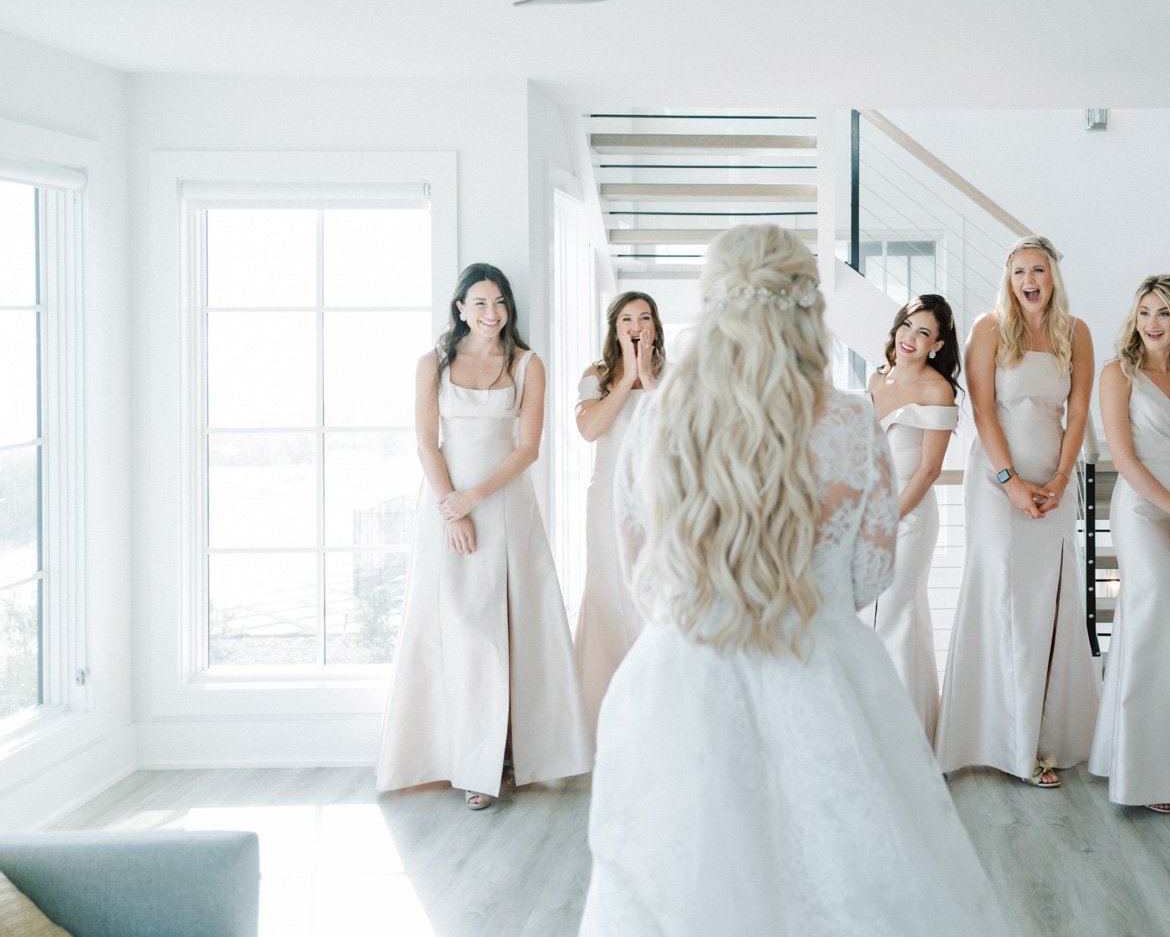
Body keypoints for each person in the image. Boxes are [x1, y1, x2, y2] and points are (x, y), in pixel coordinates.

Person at [580, 226, 1003, 936]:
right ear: (808, 312)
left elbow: (643, 583)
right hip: (823, 674)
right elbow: (872, 573)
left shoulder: (656, 419)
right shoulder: (849, 420)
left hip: (682, 678)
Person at [376, 264, 592, 811]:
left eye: (499, 303)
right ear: (460, 308)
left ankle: (513, 753)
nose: (491, 313)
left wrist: (477, 499)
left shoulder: (527, 363)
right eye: (479, 302)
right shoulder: (434, 364)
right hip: (447, 509)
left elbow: (528, 448)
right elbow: (427, 443)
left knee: (514, 631)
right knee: (461, 633)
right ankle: (468, 760)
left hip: (505, 506)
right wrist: (454, 509)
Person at [936, 235, 1099, 789]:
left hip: (1053, 484)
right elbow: (982, 408)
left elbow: (1077, 413)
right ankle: (1003, 742)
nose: (1030, 281)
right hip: (995, 482)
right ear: (1009, 278)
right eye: (1020, 271)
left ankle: (1040, 738)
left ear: (1054, 277)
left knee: (1044, 608)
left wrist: (1059, 479)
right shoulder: (988, 328)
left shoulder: (1076, 333)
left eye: (1039, 271)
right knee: (1001, 601)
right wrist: (1009, 482)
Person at [1089, 275, 1170, 813]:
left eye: (1163, 313)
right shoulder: (1117, 374)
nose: (1152, 323)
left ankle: (1167, 761)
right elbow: (1122, 459)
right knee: (1152, 621)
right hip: (1144, 510)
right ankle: (1148, 773)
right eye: (1144, 312)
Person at [863, 294, 961, 735]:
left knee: (899, 613)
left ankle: (909, 735)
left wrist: (887, 519)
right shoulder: (875, 379)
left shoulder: (937, 390)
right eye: (908, 325)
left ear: (936, 345)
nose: (911, 337)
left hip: (910, 513)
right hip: (868, 509)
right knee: (869, 616)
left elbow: (929, 469)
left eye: (924, 333)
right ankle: (875, 726)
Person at [572, 290, 664, 731]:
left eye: (644, 318)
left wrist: (647, 377)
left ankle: (654, 709)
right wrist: (626, 378)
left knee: (653, 594)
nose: (635, 326)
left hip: (658, 499)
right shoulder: (597, 374)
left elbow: (677, 440)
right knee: (608, 589)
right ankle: (600, 714)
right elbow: (590, 429)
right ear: (614, 327)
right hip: (607, 496)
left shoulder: (673, 376)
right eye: (626, 318)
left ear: (654, 327)